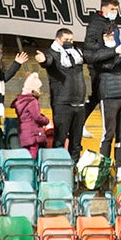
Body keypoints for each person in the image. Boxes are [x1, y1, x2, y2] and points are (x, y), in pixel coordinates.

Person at [84, 24, 121, 182]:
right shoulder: (98, 52)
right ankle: (103, 168)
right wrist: (116, 52)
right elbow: (106, 65)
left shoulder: (120, 48)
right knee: (108, 133)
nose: (111, 38)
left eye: (113, 35)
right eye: (108, 35)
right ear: (103, 37)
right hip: (108, 96)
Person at [35, 28, 87, 164]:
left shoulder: (77, 54)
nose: (69, 43)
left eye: (71, 40)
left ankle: (73, 169)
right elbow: (48, 61)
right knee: (60, 139)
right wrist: (43, 60)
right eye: (66, 40)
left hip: (79, 103)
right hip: (62, 103)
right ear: (58, 40)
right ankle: (57, 168)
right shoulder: (53, 53)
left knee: (76, 142)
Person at [12, 73, 49, 159]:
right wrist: (46, 120)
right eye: (39, 88)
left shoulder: (21, 101)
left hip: (24, 133)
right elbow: (37, 117)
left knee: (26, 154)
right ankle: (33, 170)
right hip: (33, 133)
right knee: (33, 153)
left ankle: (27, 170)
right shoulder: (32, 101)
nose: (40, 90)